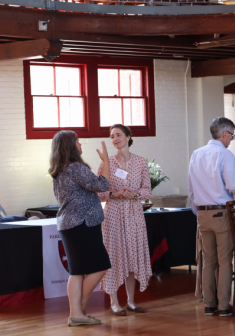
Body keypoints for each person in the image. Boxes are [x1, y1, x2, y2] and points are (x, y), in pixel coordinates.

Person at [189, 117, 235, 317]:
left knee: (208, 261)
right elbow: (234, 187)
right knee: (224, 261)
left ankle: (209, 305)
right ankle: (223, 307)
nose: (231, 139)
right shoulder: (225, 155)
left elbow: (191, 189)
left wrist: (199, 212)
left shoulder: (196, 154)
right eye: (232, 135)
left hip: (202, 214)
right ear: (224, 134)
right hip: (221, 213)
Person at [49, 131, 111, 327]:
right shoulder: (76, 167)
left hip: (70, 224)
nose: (81, 144)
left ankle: (76, 313)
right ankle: (79, 309)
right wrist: (106, 161)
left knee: (77, 271)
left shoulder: (59, 169)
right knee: (101, 266)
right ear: (70, 145)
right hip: (82, 223)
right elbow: (101, 185)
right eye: (78, 141)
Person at [96, 124, 153, 316]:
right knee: (114, 256)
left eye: (118, 135)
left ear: (129, 136)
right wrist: (114, 193)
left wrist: (134, 194)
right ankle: (114, 302)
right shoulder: (107, 162)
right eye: (112, 136)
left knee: (132, 256)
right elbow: (98, 192)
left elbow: (147, 190)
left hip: (134, 214)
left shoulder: (140, 161)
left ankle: (131, 301)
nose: (115, 139)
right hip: (113, 215)